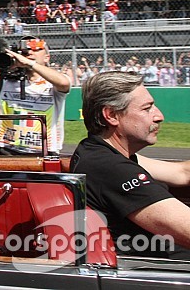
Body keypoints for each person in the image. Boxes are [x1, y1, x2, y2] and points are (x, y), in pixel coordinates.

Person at [70, 72, 190, 259]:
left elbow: (181, 172)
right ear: (111, 115)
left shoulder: (99, 152)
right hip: (161, 273)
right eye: (147, 108)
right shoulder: (110, 168)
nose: (159, 116)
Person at [0, 36, 70, 155]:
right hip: (8, 148)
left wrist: (29, 63)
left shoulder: (52, 82)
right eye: (25, 51)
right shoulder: (9, 81)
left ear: (47, 58)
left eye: (36, 49)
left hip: (44, 150)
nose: (29, 52)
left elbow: (64, 83)